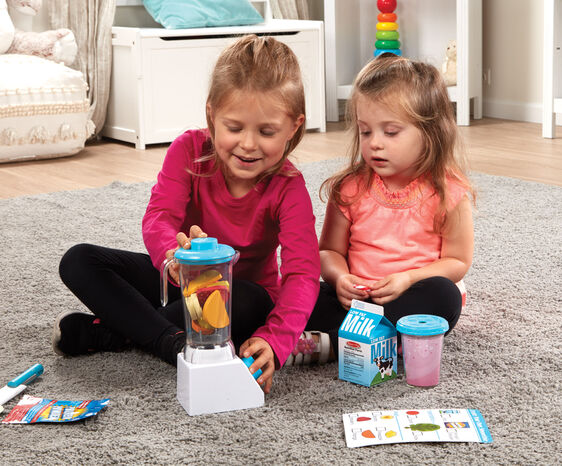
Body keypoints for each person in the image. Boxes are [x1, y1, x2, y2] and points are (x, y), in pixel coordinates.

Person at [53, 35, 321, 393]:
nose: (248, 144)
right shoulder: (188, 150)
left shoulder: (289, 187)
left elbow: (303, 273)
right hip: (179, 285)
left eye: (267, 132)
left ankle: (121, 331)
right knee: (79, 260)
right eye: (234, 127)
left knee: (243, 300)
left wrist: (275, 340)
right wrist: (171, 256)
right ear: (212, 113)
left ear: (294, 127)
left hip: (240, 298)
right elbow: (158, 216)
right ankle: (174, 343)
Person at [301, 54, 474, 360]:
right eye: (366, 131)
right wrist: (341, 279)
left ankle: (339, 343)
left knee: (443, 297)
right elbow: (328, 252)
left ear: (431, 132)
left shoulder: (448, 191)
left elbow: (457, 261)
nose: (374, 143)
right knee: (300, 291)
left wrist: (407, 279)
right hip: (353, 302)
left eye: (390, 132)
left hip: (411, 296)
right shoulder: (349, 188)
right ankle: (369, 342)